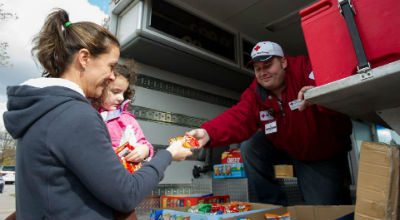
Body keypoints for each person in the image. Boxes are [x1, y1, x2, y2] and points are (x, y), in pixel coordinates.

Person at [3, 9, 192, 220]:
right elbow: (126, 194)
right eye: (111, 66)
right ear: (84, 58)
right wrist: (168, 155)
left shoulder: (43, 110)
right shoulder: (75, 115)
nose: (112, 77)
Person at [188, 41, 352, 205]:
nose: (263, 72)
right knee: (250, 146)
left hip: (321, 153)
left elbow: (338, 88)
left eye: (267, 65)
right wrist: (208, 133)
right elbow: (238, 117)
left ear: (283, 62)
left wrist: (320, 95)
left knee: (323, 212)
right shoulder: (255, 94)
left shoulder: (305, 69)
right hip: (287, 146)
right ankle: (273, 205)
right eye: (258, 68)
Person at [95, 62, 154, 163]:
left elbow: (143, 142)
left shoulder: (127, 119)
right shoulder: (88, 113)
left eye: (124, 93)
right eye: (115, 92)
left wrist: (145, 150)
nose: (121, 98)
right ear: (100, 87)